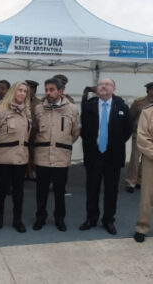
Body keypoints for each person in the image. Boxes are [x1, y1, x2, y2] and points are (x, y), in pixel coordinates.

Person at [79, 78, 132, 235]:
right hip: (93, 155)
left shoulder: (122, 106)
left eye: (107, 84)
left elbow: (127, 130)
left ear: (114, 88)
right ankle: (91, 218)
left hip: (113, 156)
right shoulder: (88, 106)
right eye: (101, 84)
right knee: (92, 189)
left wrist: (113, 143)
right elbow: (83, 130)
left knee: (111, 190)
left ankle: (108, 220)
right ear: (97, 88)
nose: (103, 86)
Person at [32, 78, 80, 232]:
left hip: (61, 157)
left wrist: (62, 143)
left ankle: (60, 218)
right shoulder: (39, 109)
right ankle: (40, 217)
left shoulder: (72, 109)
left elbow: (75, 132)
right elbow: (34, 131)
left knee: (59, 191)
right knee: (41, 191)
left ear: (61, 91)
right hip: (42, 156)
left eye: (51, 89)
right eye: (46, 89)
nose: (48, 93)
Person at [0, 81, 31, 232]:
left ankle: (17, 220)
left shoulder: (27, 111)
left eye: (24, 91)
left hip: (20, 157)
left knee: (19, 191)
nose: (22, 93)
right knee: (1, 190)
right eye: (19, 90)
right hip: (3, 158)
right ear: (13, 92)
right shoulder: (0, 110)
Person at [125, 82, 153, 193]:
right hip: (139, 134)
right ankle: (131, 181)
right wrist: (132, 131)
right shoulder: (139, 103)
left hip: (151, 136)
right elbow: (130, 117)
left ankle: (141, 181)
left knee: (146, 160)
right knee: (135, 159)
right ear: (148, 91)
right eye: (152, 89)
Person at [134, 104, 153, 242]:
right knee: (147, 195)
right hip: (151, 159)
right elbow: (142, 138)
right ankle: (142, 227)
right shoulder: (147, 112)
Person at [25, 79, 40, 181]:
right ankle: (25, 173)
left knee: (34, 153)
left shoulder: (40, 102)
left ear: (35, 90)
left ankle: (33, 172)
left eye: (32, 88)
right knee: (24, 153)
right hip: (23, 132)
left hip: (35, 132)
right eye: (28, 88)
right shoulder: (20, 100)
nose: (29, 90)